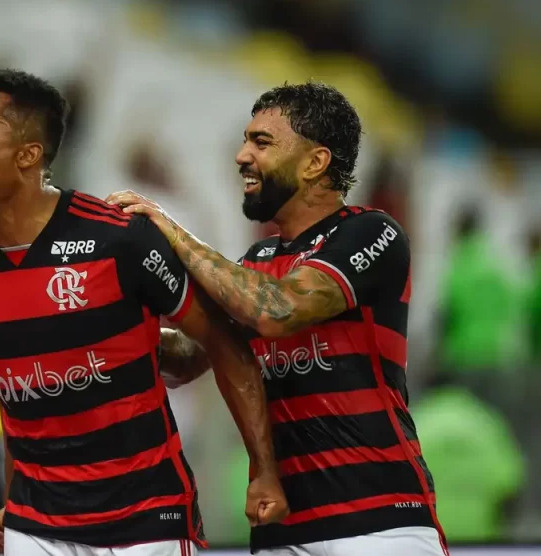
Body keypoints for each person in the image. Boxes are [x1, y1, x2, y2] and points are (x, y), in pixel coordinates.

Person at [0, 69, 288, 556]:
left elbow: (220, 338)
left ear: (27, 156)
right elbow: (16, 397)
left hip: (145, 519)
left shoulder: (119, 239)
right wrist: (11, 502)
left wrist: (263, 470)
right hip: (38, 522)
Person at [107, 82, 448, 556]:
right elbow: (188, 358)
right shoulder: (257, 261)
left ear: (315, 162)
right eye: (246, 140)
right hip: (282, 527)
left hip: (379, 521)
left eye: (261, 143)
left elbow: (280, 310)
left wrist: (172, 232)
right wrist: (98, 328)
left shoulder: (372, 232)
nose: (242, 156)